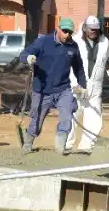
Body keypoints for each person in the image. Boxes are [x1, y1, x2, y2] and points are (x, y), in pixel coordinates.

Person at [21, 18, 87, 154]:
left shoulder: (73, 47)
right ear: (58, 29)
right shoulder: (43, 42)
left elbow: (79, 68)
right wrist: (28, 58)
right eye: (64, 31)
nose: (67, 35)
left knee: (67, 116)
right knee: (36, 120)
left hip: (63, 89)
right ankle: (28, 142)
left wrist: (83, 85)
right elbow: (24, 53)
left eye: (70, 32)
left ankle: (59, 147)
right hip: (42, 89)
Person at [67, 15, 109, 155]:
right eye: (91, 29)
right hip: (78, 85)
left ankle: (86, 146)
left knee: (94, 116)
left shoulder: (105, 42)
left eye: (96, 29)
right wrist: (74, 83)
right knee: (72, 114)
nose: (93, 32)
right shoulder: (75, 41)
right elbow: (68, 64)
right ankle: (67, 144)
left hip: (96, 86)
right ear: (85, 28)